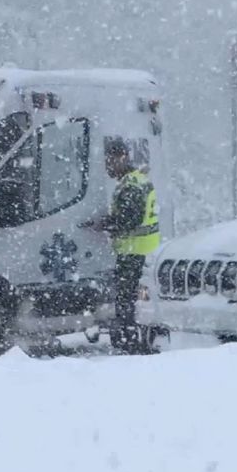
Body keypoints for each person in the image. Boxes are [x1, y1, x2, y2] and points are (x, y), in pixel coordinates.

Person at [83, 139, 161, 352]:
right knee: (135, 300)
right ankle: (134, 338)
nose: (108, 167)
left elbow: (129, 219)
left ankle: (129, 341)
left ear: (122, 158)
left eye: (110, 161)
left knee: (127, 301)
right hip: (143, 251)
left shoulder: (131, 186)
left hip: (134, 252)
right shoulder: (137, 180)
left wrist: (103, 224)